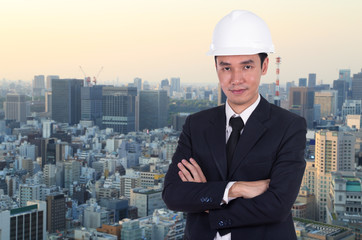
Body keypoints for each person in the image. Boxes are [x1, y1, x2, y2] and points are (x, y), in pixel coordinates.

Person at [162, 10, 306, 240]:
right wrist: (235, 189)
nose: (236, 79)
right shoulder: (197, 125)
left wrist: (209, 199)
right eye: (226, 67)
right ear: (216, 68)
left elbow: (278, 205)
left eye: (247, 67)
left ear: (265, 65)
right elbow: (173, 194)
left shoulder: (289, 126)